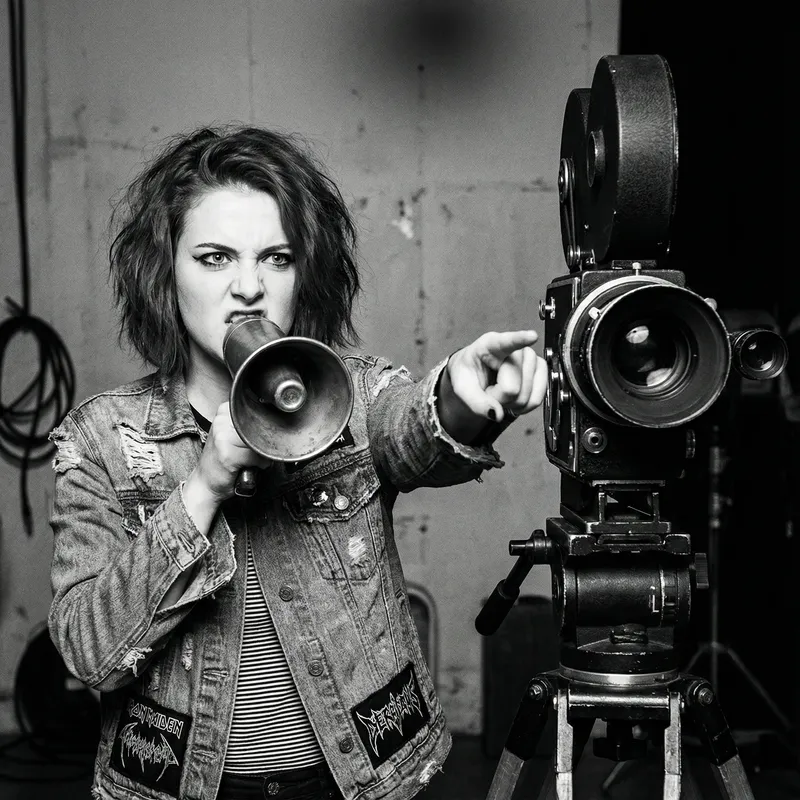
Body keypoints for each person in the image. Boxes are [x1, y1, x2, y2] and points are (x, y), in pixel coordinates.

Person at [47, 123, 547, 800]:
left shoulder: (355, 392)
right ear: (165, 272)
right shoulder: (101, 437)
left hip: (355, 778)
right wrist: (205, 485)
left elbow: (414, 429)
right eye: (216, 258)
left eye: (276, 259)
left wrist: (463, 399)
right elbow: (89, 653)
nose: (248, 287)